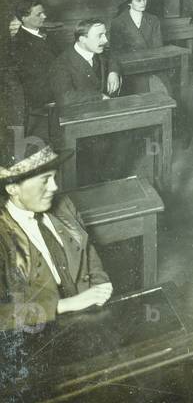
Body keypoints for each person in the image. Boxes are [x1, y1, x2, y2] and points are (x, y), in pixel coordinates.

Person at [0, 142, 112, 335]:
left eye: (54, 177)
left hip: (87, 315)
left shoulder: (63, 206)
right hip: (37, 331)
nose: (54, 186)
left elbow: (88, 253)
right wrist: (62, 305)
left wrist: (101, 283)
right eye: (45, 180)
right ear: (12, 188)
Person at [109, 0, 167, 95]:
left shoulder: (153, 20)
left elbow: (158, 48)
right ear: (129, 3)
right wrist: (113, 72)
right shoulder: (118, 22)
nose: (143, 3)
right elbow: (114, 52)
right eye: (138, 0)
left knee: (165, 91)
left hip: (152, 67)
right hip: (130, 70)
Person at [51, 19, 122, 109]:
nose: (105, 40)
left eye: (105, 34)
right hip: (79, 115)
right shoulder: (61, 64)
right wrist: (99, 97)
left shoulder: (97, 50)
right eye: (99, 36)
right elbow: (65, 98)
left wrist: (113, 72)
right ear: (83, 39)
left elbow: (112, 56)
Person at [10, 0, 55, 110]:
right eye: (39, 14)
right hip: (43, 93)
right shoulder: (19, 43)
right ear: (24, 18)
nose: (44, 16)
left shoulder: (45, 33)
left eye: (43, 12)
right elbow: (36, 77)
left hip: (55, 84)